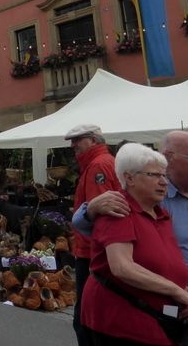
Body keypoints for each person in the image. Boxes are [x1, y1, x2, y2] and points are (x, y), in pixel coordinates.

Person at [76, 130, 188, 346]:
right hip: (166, 309)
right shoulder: (125, 206)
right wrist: (90, 209)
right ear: (169, 158)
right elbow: (121, 265)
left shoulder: (180, 206)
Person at [64, 123, 122, 346]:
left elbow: (101, 214)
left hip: (92, 253)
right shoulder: (100, 163)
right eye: (72, 140)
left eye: (78, 139)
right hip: (96, 251)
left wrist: (96, 254)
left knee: (85, 320)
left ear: (94, 140)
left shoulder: (98, 166)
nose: (73, 145)